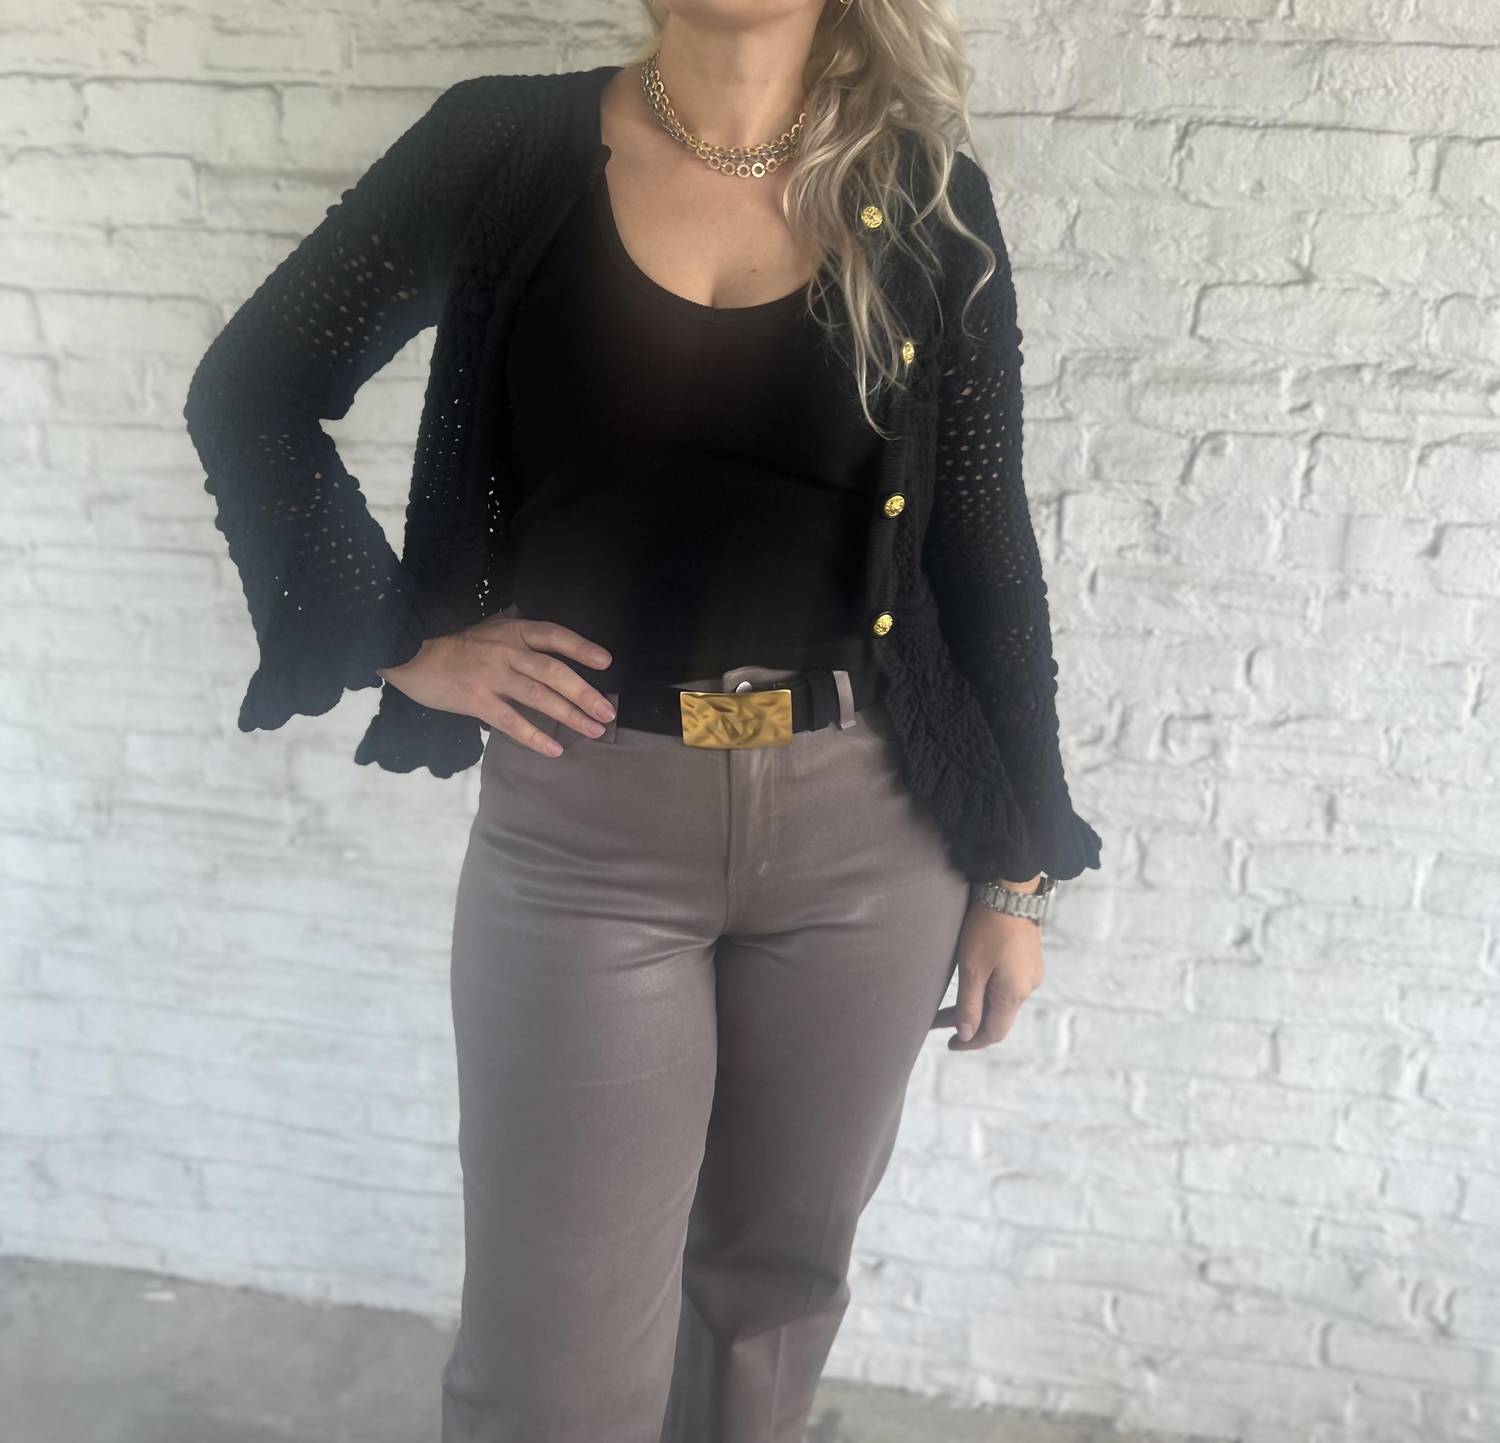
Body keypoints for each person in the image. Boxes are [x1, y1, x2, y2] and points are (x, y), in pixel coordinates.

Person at [182, 2, 1104, 1438]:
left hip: (871, 835)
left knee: (770, 1299)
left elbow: (984, 550)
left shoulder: (922, 194)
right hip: (587, 829)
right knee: (553, 1364)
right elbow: (254, 388)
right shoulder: (500, 147)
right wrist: (402, 641)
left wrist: (1017, 870)